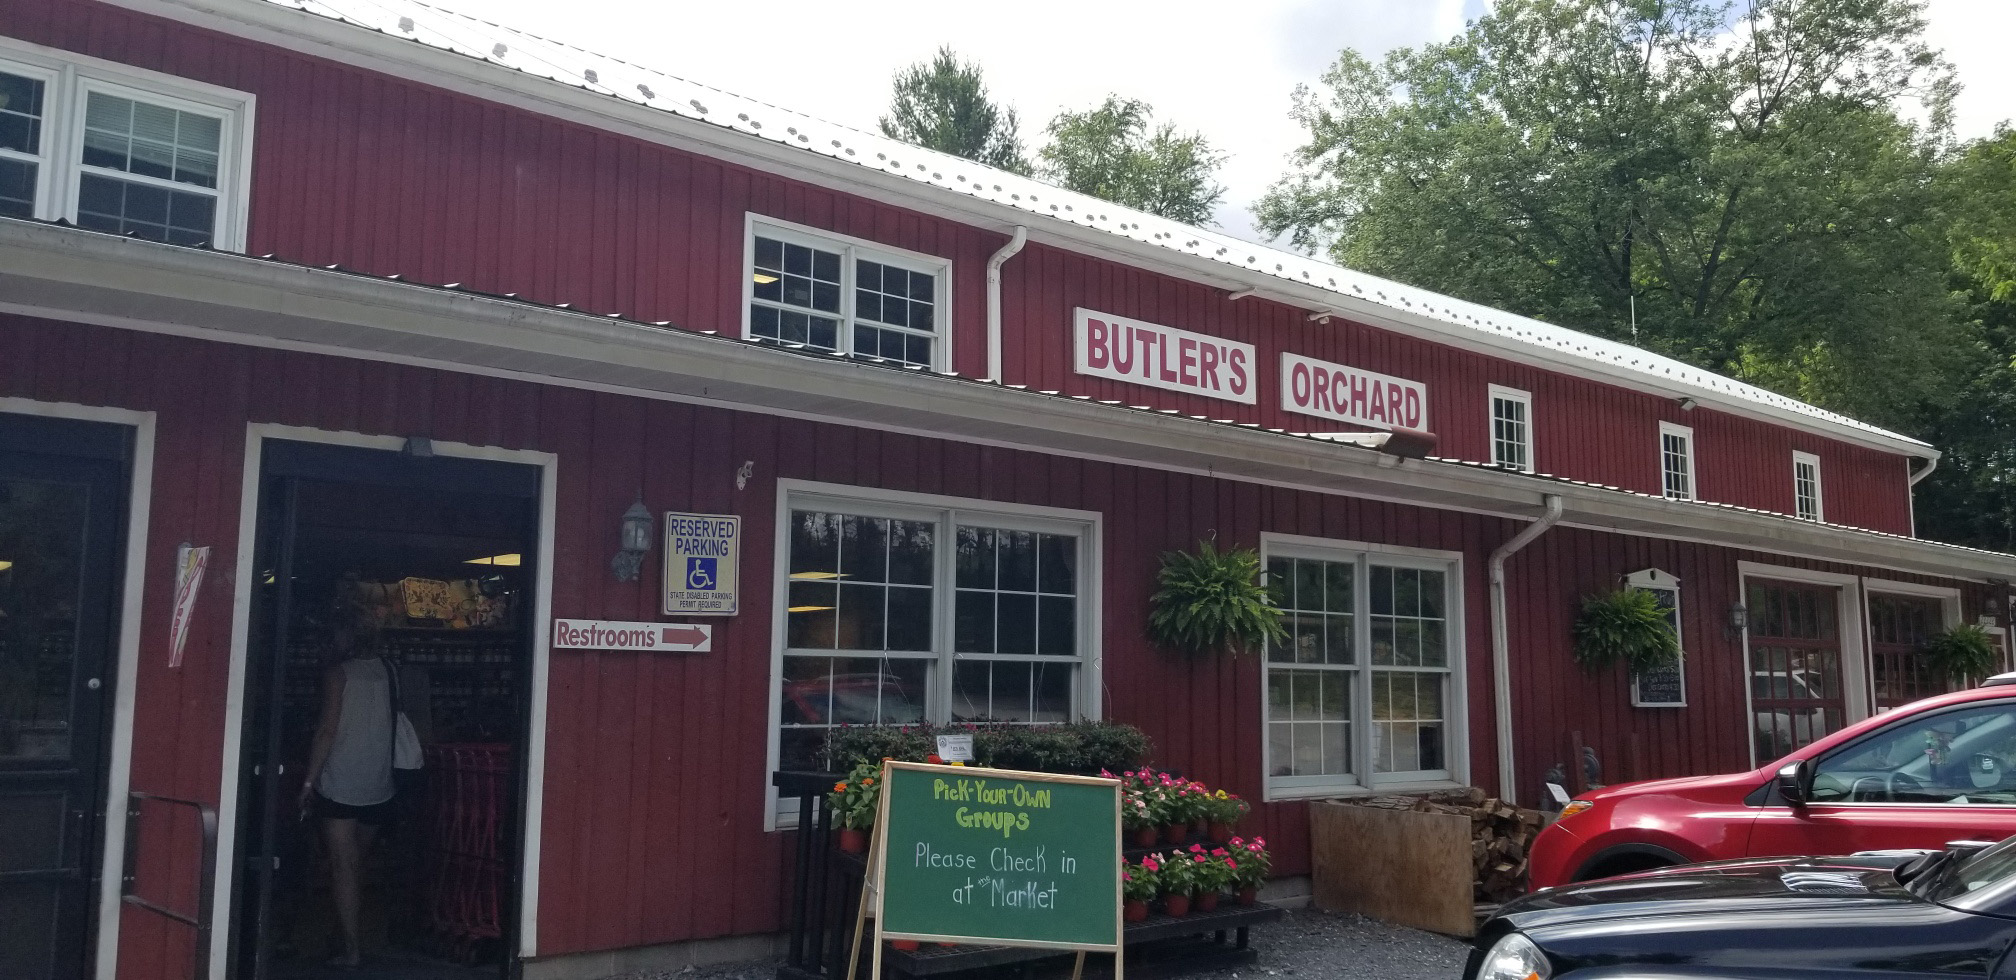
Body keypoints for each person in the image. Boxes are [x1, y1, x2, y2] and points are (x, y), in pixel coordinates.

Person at [297, 620, 398, 968]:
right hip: (379, 783)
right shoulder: (390, 671)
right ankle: (340, 933)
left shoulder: (337, 674)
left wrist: (309, 781)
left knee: (343, 866)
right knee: (357, 863)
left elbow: (327, 730)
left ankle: (351, 950)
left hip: (342, 780)